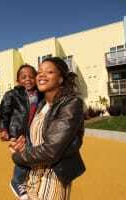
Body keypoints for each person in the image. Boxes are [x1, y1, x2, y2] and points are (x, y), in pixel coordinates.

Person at [10, 57, 85, 200]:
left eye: (49, 72)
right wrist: (21, 146)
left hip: (53, 179)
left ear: (60, 79)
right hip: (31, 178)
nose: (41, 75)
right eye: (39, 72)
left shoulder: (71, 104)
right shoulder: (41, 105)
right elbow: (37, 139)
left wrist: (18, 157)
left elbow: (51, 150)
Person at [0, 64, 43, 200]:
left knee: (34, 156)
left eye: (31, 76)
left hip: (34, 131)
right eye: (23, 77)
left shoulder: (40, 93)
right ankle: (17, 181)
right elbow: (4, 113)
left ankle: (29, 181)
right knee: (23, 156)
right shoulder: (12, 95)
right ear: (18, 80)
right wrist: (3, 129)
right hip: (19, 132)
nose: (28, 79)